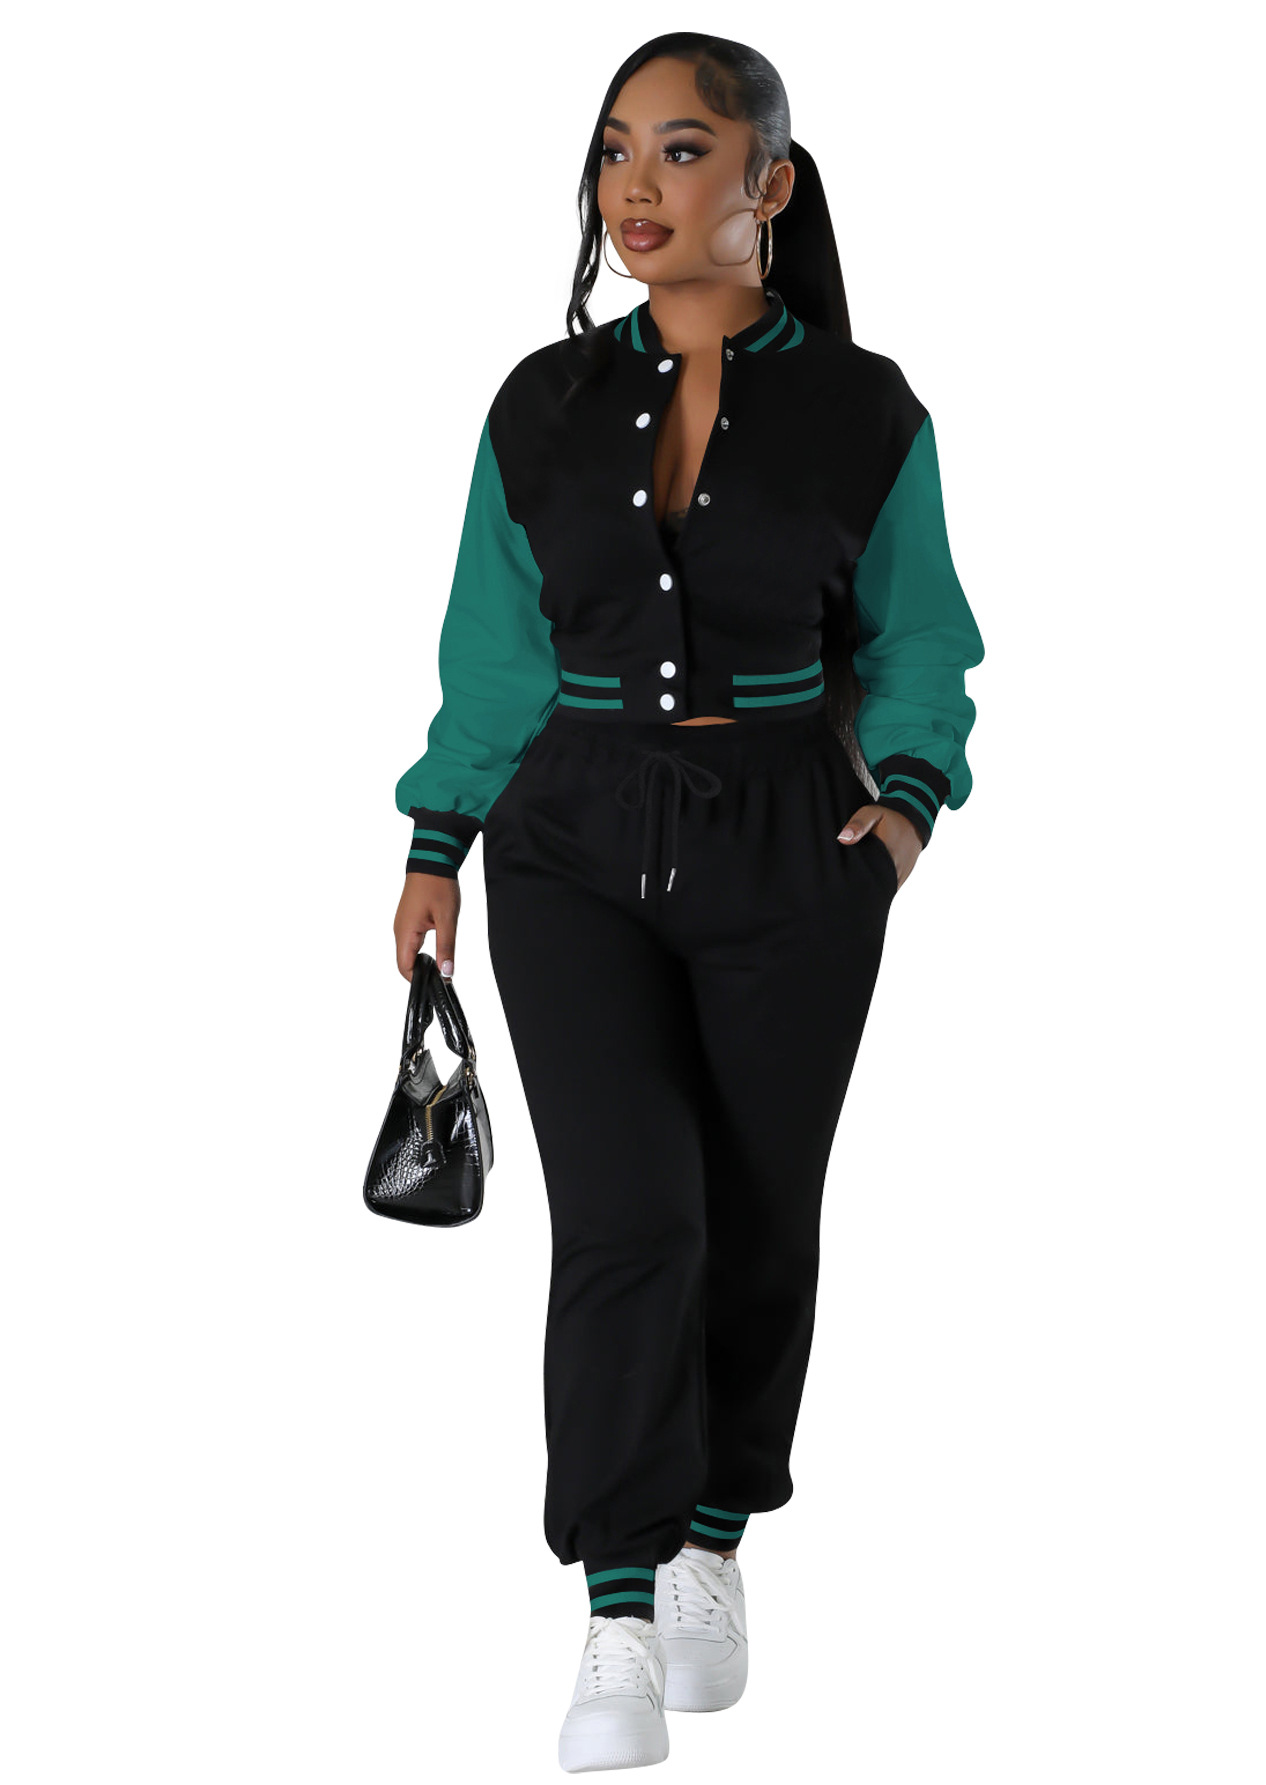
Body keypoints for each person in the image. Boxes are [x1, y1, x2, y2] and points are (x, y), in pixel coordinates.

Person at [391, 33, 985, 1774]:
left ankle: (720, 1529)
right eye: (613, 152)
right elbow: (493, 654)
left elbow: (922, 639)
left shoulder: (869, 412)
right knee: (627, 1212)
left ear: (767, 184)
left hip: (796, 845)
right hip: (570, 844)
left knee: (759, 1208)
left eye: (680, 149)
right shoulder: (538, 405)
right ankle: (621, 1604)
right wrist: (437, 840)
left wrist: (899, 819)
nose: (635, 189)